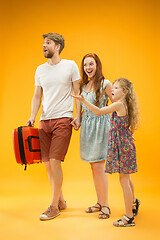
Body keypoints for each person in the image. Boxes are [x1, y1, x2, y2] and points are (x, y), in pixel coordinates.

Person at [26, 33, 81, 221]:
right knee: (48, 164)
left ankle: (53, 207)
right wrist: (32, 117)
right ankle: (61, 201)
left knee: (55, 161)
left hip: (63, 119)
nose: (44, 45)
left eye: (48, 43)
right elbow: (37, 96)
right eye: (43, 43)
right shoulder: (40, 70)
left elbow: (77, 92)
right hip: (44, 121)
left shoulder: (70, 66)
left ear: (57, 46)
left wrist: (78, 116)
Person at [71, 78, 140, 227]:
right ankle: (133, 204)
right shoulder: (126, 105)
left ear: (125, 92)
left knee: (123, 181)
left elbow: (98, 111)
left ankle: (129, 217)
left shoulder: (118, 104)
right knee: (126, 179)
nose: (112, 90)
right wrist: (128, 136)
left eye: (116, 88)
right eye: (113, 87)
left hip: (122, 147)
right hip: (126, 145)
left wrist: (83, 100)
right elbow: (130, 127)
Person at [77, 53, 113, 219]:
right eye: (85, 65)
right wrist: (77, 119)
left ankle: (105, 205)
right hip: (87, 127)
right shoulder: (85, 85)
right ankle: (99, 202)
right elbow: (84, 108)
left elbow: (117, 104)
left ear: (97, 65)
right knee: (93, 167)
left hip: (100, 128)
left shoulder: (105, 83)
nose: (88, 68)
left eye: (91, 64)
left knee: (99, 167)